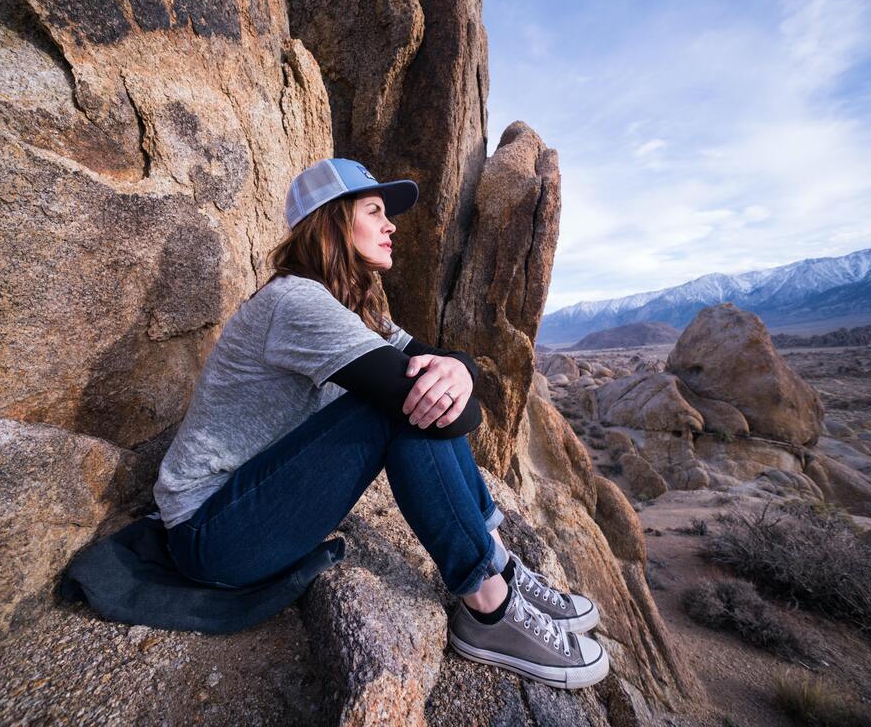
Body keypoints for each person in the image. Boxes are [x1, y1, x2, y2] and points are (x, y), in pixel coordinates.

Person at [153, 158, 609, 689]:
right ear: (331, 221)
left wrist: (459, 367)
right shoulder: (297, 302)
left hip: (249, 506)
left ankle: (499, 566)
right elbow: (452, 414)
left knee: (421, 391)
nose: (392, 224)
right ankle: (487, 605)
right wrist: (453, 381)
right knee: (405, 408)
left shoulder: (353, 311)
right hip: (211, 533)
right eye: (374, 210)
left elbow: (443, 363)